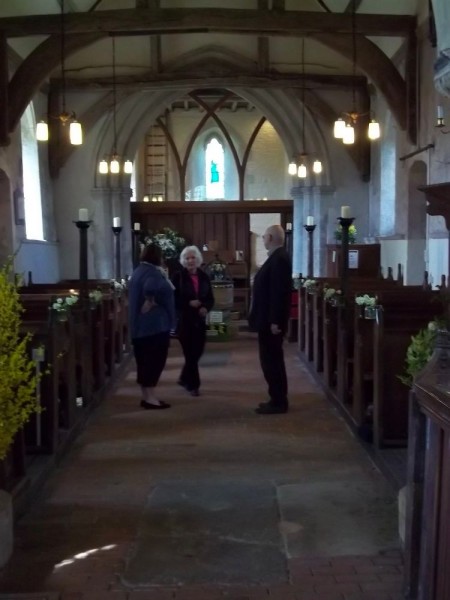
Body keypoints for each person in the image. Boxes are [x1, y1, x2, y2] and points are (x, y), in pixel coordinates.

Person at [248, 224, 292, 414]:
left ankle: (278, 401)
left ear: (271, 238)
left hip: (270, 322)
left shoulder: (279, 259)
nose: (263, 239)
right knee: (270, 360)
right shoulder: (276, 257)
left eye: (264, 236)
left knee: (272, 361)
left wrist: (275, 321)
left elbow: (279, 293)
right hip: (267, 319)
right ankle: (276, 397)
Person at [128, 244, 176, 409]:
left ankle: (147, 396)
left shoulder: (139, 270)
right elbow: (152, 287)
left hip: (140, 328)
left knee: (144, 362)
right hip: (153, 327)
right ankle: (150, 398)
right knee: (154, 362)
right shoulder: (152, 273)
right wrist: (151, 300)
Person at [172, 245, 214, 396]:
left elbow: (210, 299)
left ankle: (184, 377)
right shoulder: (178, 277)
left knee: (198, 352)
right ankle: (194, 385)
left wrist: (205, 308)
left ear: (198, 260)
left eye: (193, 257)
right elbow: (173, 299)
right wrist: (188, 303)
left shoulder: (204, 276)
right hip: (184, 320)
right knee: (190, 354)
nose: (190, 261)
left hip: (200, 320)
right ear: (183, 260)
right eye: (187, 258)